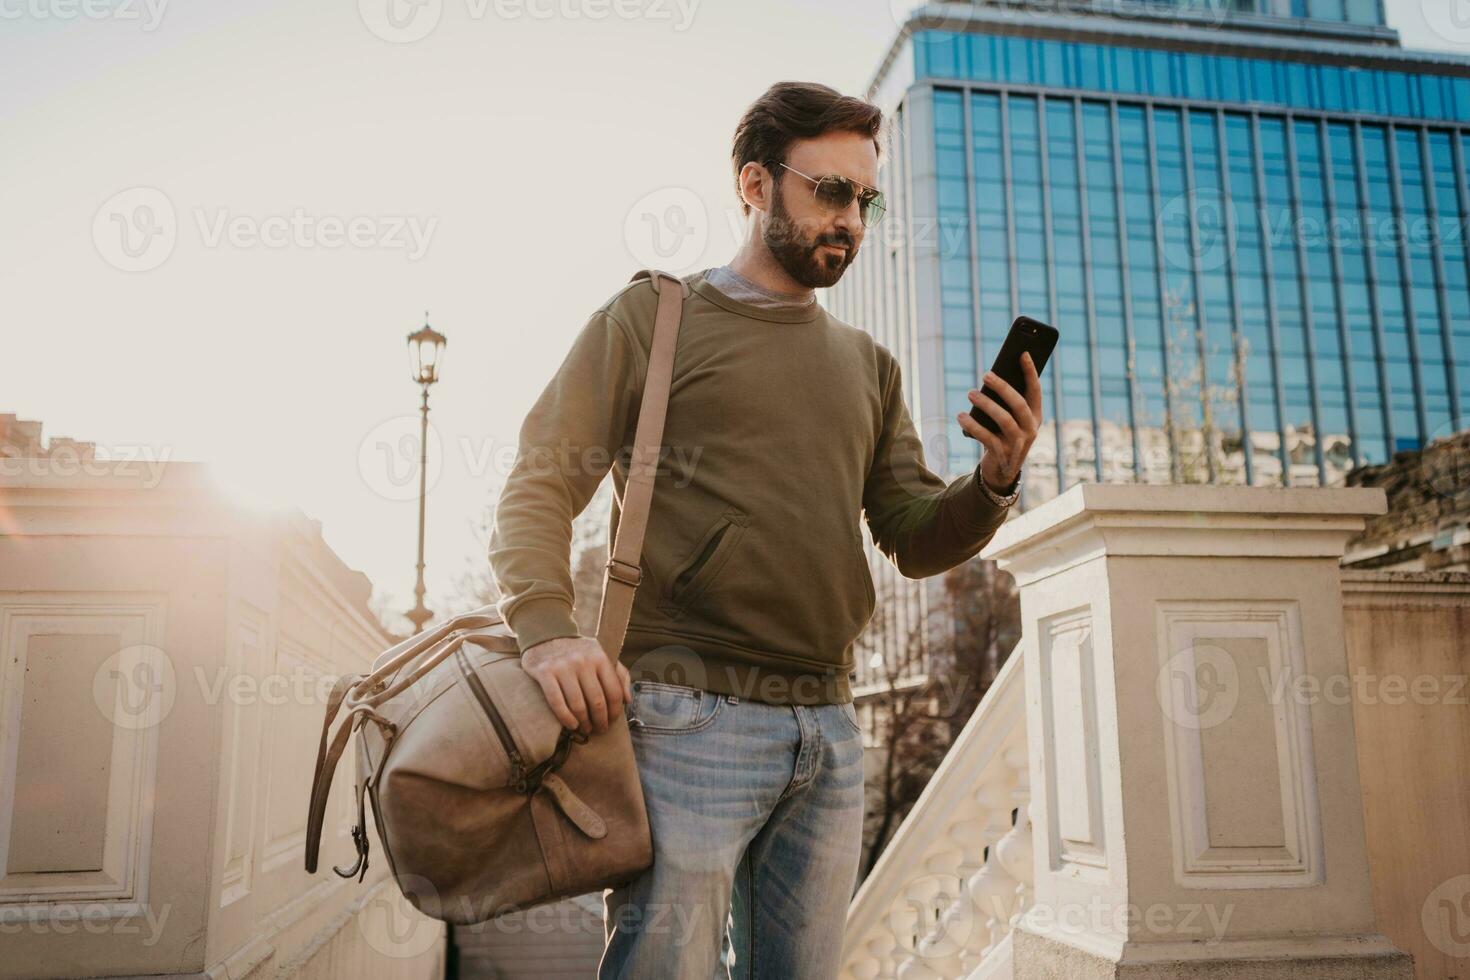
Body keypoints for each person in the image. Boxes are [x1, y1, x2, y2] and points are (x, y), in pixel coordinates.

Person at [487, 80, 1042, 979]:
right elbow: (537, 485)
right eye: (831, 191)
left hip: (829, 727)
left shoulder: (870, 366)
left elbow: (913, 533)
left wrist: (995, 479)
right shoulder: (652, 318)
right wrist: (546, 633)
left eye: (866, 200)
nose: (853, 220)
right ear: (754, 185)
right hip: (680, 720)